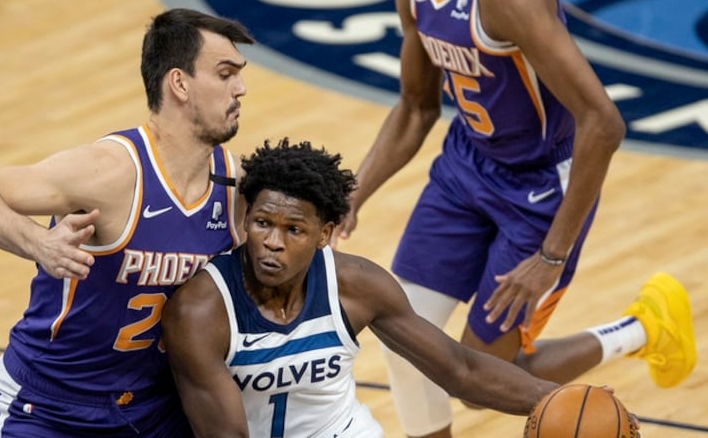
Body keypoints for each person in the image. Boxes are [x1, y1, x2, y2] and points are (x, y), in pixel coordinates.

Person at [330, 0, 697, 437]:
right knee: (405, 334)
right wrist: (352, 194)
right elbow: (416, 107)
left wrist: (551, 256)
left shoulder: (508, 4)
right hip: (466, 166)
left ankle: (642, 328)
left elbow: (603, 122)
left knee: (479, 377)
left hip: (540, 191)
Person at [0, 8, 253, 437]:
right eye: (225, 74)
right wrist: (38, 244)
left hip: (158, 406)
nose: (241, 88)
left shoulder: (234, 185)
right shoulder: (111, 171)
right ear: (179, 83)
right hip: (53, 404)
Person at [160, 138, 577, 437]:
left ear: (324, 234)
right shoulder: (201, 311)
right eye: (263, 223)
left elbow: (460, 371)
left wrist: (561, 400)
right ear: (246, 219)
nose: (273, 241)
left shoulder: (356, 285)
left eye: (294, 230)